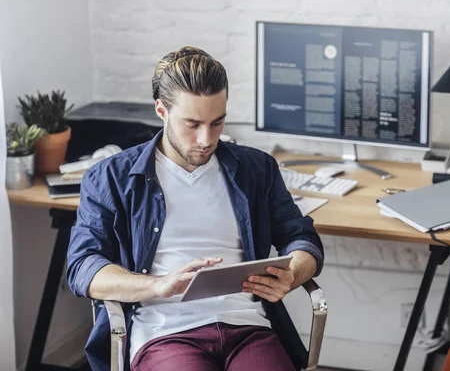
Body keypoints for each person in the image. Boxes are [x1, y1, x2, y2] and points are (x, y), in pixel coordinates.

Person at [67, 46, 324, 371]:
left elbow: (302, 238)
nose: (206, 139)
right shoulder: (111, 178)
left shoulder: (256, 169)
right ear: (162, 110)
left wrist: (293, 273)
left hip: (247, 326)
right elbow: (83, 266)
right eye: (193, 124)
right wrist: (157, 285)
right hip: (164, 332)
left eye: (217, 123)